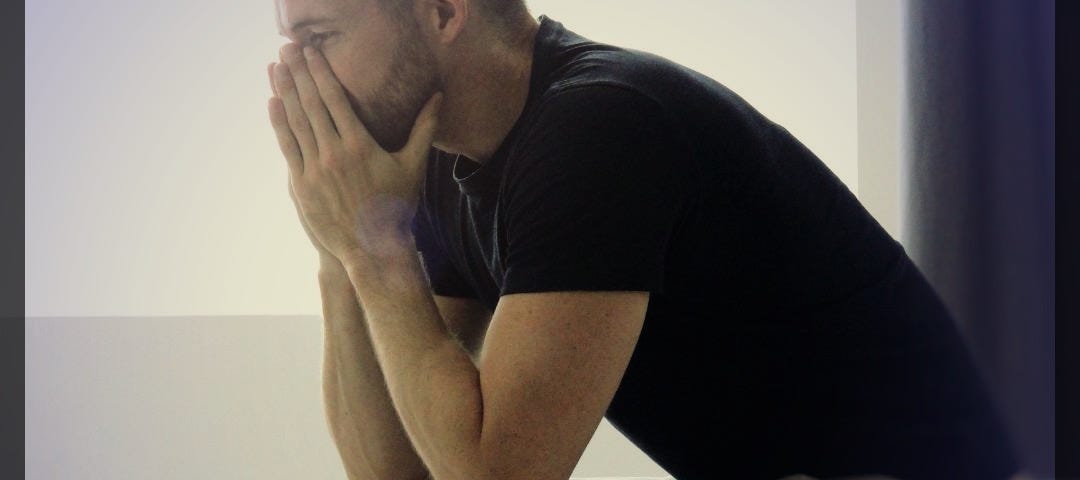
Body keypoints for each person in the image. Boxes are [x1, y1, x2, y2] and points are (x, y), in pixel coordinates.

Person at [265, 0, 1025, 479]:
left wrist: (375, 255)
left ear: (442, 10)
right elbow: (399, 471)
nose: (293, 71)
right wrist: (339, 248)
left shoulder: (598, 129)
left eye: (320, 35)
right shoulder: (438, 166)